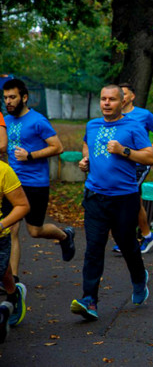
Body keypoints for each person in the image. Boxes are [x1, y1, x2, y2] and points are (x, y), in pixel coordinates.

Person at [72, 84, 153, 321]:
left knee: (127, 244)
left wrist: (124, 150)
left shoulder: (133, 127)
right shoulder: (93, 125)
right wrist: (86, 160)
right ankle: (90, 300)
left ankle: (139, 280)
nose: (106, 103)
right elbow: (87, 144)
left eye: (112, 100)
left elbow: (149, 156)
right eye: (103, 99)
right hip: (95, 196)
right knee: (94, 249)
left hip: (124, 198)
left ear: (122, 103)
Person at [2, 78, 75, 279]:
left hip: (35, 183)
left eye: (13, 97)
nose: (8, 101)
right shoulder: (5, 121)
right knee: (10, 228)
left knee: (35, 230)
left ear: (24, 98)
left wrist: (30, 155)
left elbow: (57, 147)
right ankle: (13, 280)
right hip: (12, 183)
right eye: (6, 97)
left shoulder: (38, 121)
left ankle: (64, 235)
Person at [110, 83, 153, 254]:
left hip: (140, 164)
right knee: (131, 199)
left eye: (124, 94)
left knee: (130, 197)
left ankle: (136, 236)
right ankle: (140, 236)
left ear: (132, 96)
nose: (122, 97)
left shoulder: (144, 115)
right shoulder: (113, 116)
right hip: (120, 164)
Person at [0, 161, 30, 340]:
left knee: (3, 273)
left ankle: (10, 299)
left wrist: (2, 225)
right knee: (3, 274)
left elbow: (22, 205)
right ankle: (12, 296)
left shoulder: (3, 170)